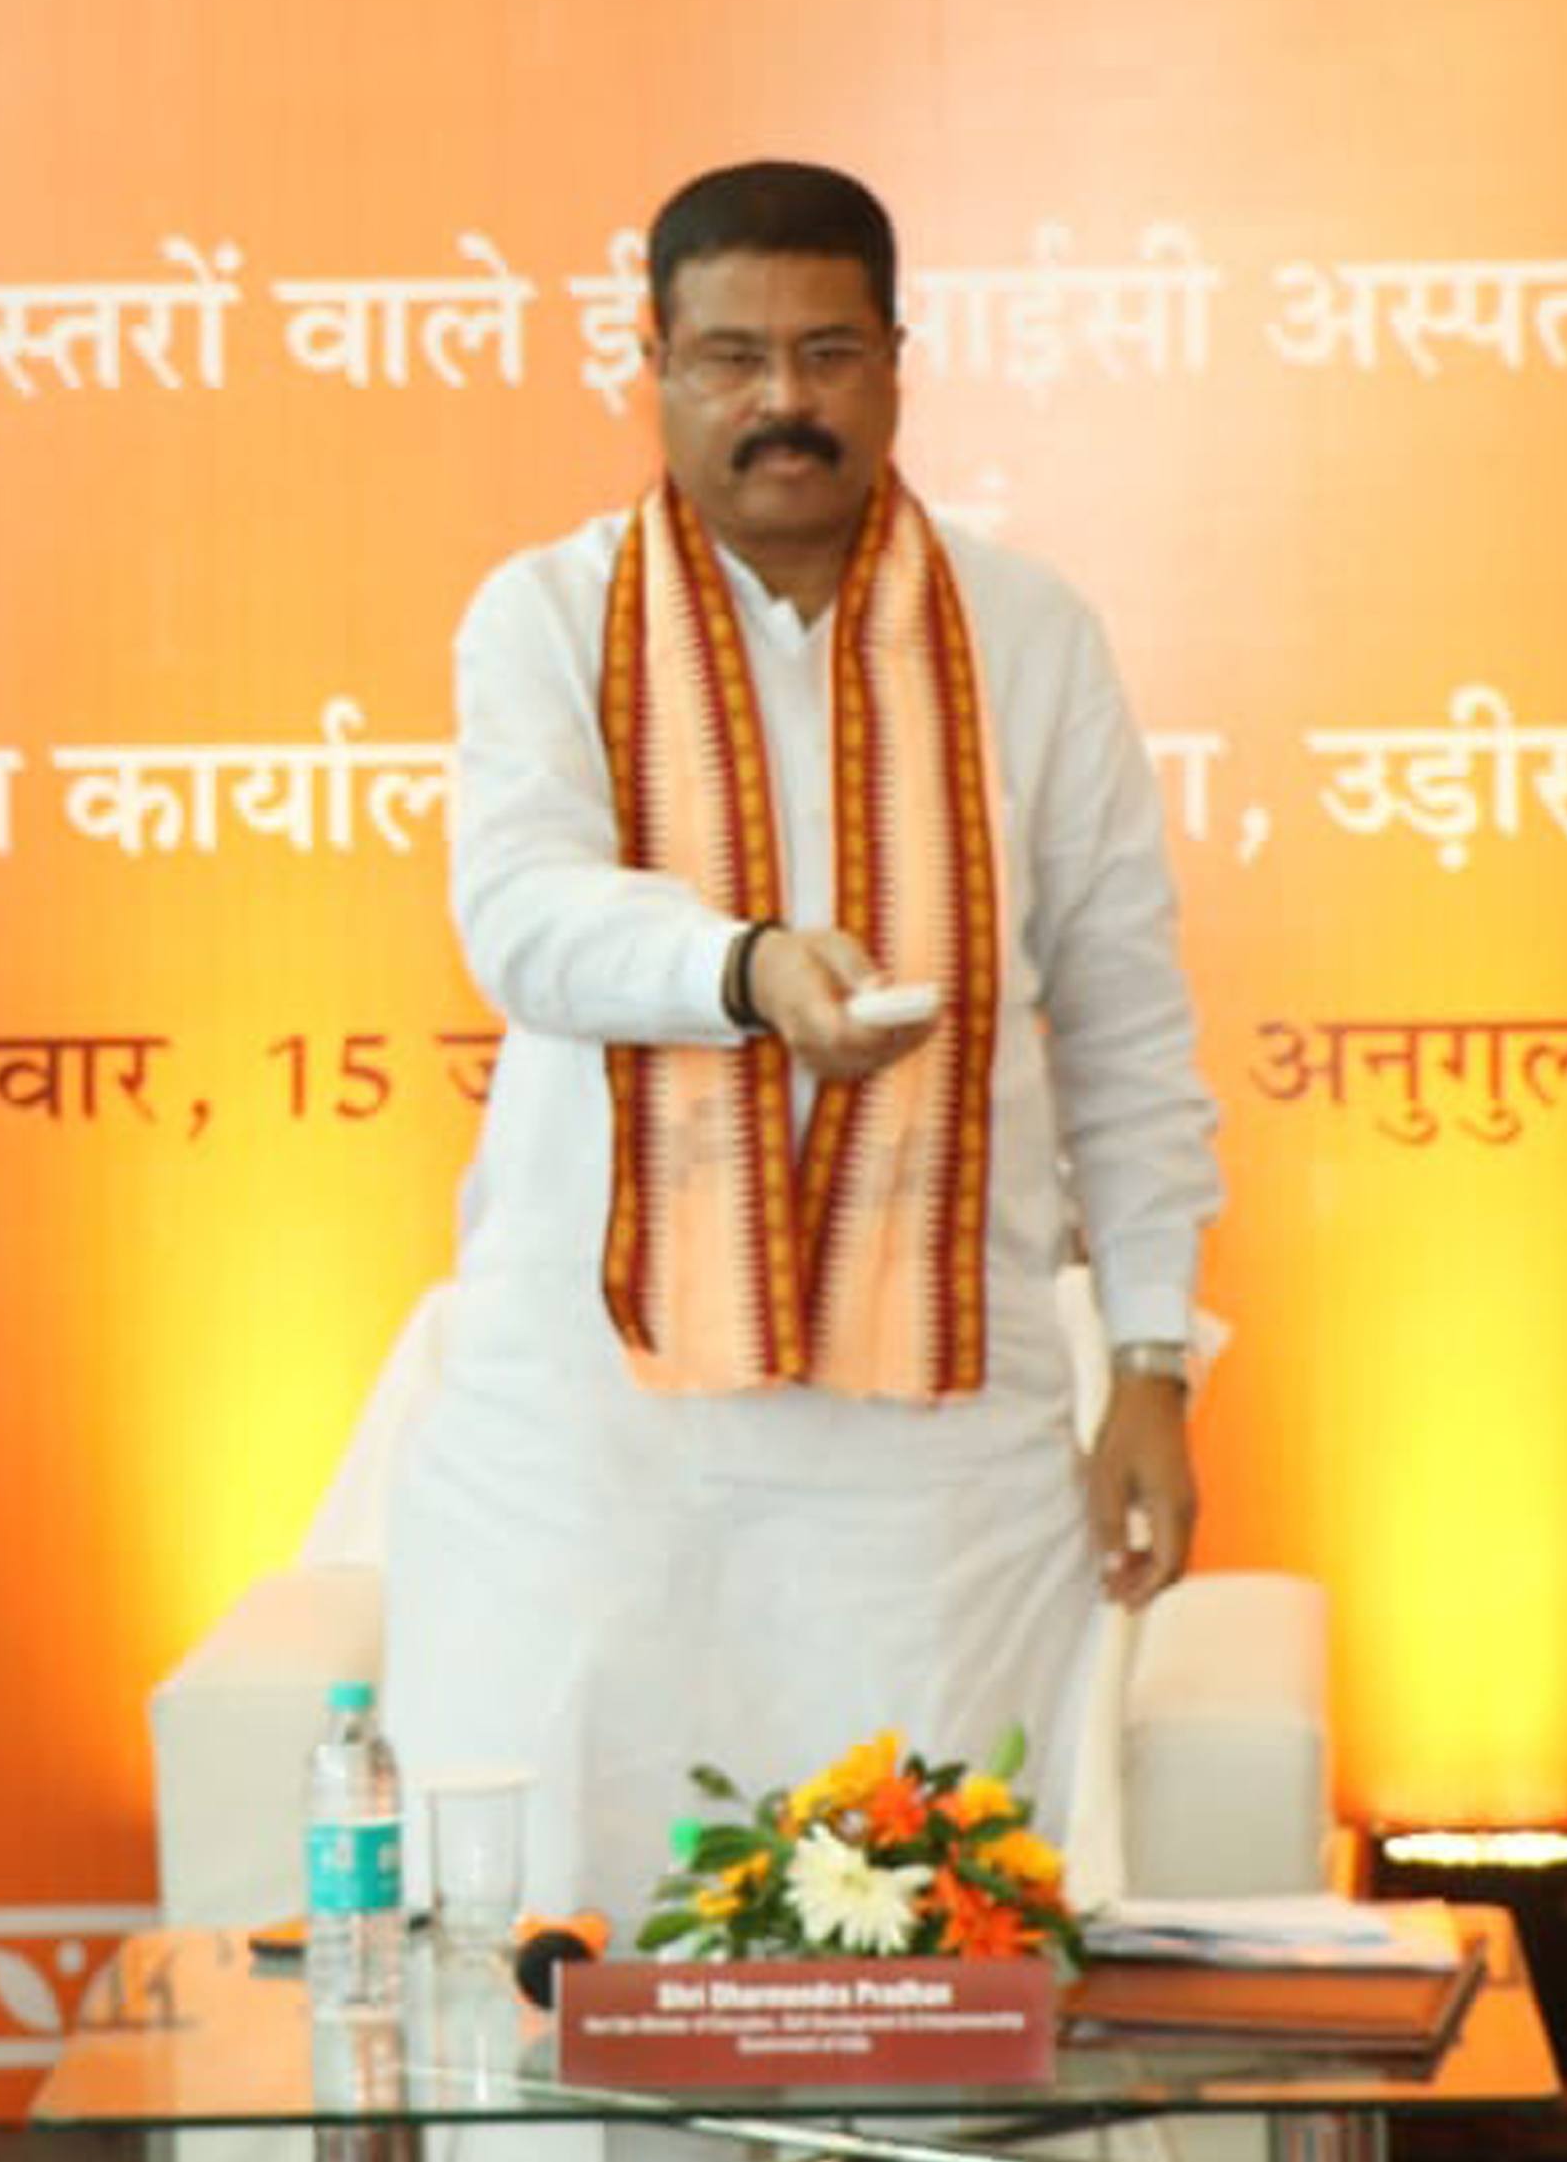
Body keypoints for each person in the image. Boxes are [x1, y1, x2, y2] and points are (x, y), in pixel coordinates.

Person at [382, 158, 1222, 1927]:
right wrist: (745, 969)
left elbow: (1125, 1014)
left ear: (900, 360)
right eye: (732, 357)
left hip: (932, 1455)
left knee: (925, 1937)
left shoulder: (1029, 634)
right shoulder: (547, 613)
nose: (784, 401)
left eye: (830, 352)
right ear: (655, 367)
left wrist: (1151, 1356)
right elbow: (521, 914)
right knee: (565, 1928)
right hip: (596, 1425)